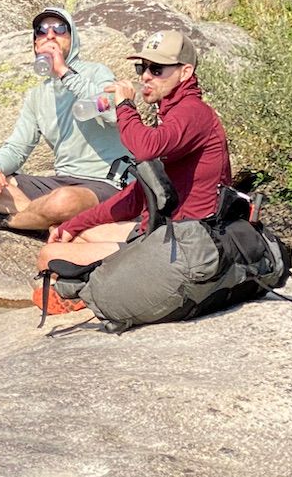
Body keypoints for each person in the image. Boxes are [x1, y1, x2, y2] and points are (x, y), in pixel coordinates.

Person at [34, 28, 232, 313]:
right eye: (142, 67)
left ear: (185, 72)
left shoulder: (193, 112)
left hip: (187, 241)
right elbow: (136, 196)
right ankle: (86, 288)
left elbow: (146, 149)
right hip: (164, 231)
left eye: (157, 68)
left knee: (49, 255)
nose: (145, 77)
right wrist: (72, 225)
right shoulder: (172, 114)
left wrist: (125, 106)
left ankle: (85, 294)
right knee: (79, 235)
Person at [0, 6, 133, 234]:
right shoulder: (37, 95)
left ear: (72, 38)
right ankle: (42, 220)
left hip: (106, 183)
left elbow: (114, 111)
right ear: (36, 44)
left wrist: (64, 72)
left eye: (59, 29)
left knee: (63, 201)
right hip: (61, 180)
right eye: (42, 31)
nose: (50, 36)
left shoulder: (95, 73)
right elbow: (17, 147)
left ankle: (14, 221)